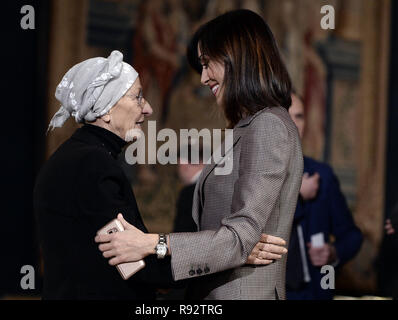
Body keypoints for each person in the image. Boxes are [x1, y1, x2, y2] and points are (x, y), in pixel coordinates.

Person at [34, 50, 287, 300]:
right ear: (106, 109)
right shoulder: (92, 164)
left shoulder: (76, 157)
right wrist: (235, 252)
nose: (148, 108)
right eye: (138, 97)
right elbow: (138, 265)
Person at [95, 10, 304, 300]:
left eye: (207, 64)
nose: (203, 77)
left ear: (236, 57)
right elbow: (241, 240)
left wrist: (152, 244)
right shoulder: (250, 126)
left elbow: (241, 237)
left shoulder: (268, 126)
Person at [285, 92, 363, 300]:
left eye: (299, 116)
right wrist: (297, 195)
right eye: (285, 115)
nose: (293, 124)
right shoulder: (255, 175)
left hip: (314, 293)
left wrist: (333, 252)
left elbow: (352, 235)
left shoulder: (322, 175)